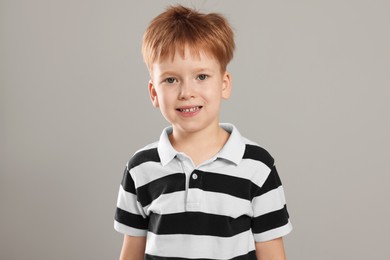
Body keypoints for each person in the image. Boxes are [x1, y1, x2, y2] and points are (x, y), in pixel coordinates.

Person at [114, 5, 292, 260]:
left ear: (224, 84)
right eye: (171, 80)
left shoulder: (258, 167)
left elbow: (272, 254)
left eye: (201, 76)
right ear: (154, 93)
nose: (187, 92)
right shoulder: (140, 169)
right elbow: (131, 252)